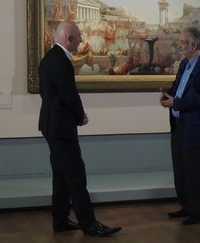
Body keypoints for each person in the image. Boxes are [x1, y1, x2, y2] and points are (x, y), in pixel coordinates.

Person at [38, 21, 121, 237]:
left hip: (50, 125)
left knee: (61, 174)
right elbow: (69, 94)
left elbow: (49, 95)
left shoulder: (49, 58)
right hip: (61, 127)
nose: (82, 40)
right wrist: (80, 116)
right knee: (76, 175)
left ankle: (60, 219)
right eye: (79, 37)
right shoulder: (61, 61)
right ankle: (89, 224)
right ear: (68, 39)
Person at [160, 27, 200, 225]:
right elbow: (178, 89)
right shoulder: (184, 63)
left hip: (195, 127)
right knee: (181, 170)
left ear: (194, 44)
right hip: (179, 125)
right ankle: (187, 206)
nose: (180, 45)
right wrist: (167, 95)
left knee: (197, 172)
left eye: (183, 42)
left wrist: (176, 103)